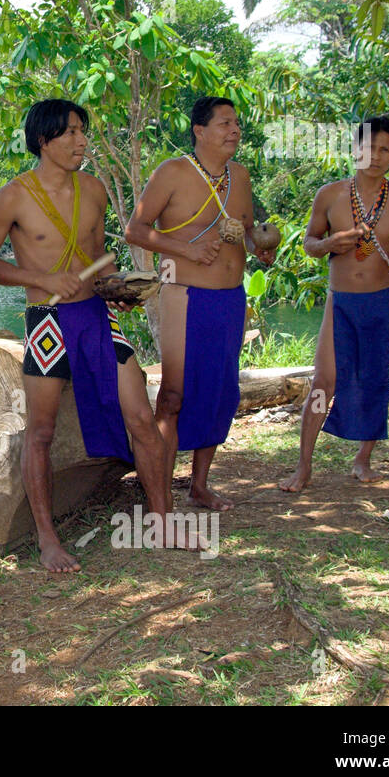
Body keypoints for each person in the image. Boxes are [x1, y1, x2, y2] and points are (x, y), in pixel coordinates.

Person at [0, 99, 182, 573]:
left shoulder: (93, 189)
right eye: (71, 133)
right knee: (42, 432)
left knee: (141, 416)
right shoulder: (12, 196)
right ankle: (48, 541)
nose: (81, 141)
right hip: (46, 320)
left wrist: (118, 288)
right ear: (44, 140)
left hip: (96, 316)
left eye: (83, 131)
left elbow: (100, 259)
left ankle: (163, 521)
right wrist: (44, 279)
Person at [125, 96, 276, 512]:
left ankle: (200, 486)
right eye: (225, 123)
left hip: (230, 299)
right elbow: (135, 231)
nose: (234, 131)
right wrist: (186, 250)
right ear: (200, 131)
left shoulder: (240, 177)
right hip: (183, 296)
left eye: (237, 124)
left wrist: (258, 247)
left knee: (221, 392)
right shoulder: (172, 172)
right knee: (174, 396)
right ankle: (160, 495)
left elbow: (245, 230)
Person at [281, 117, 389, 492]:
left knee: (375, 376)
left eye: (385, 149)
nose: (375, 156)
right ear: (355, 148)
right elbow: (310, 243)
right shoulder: (330, 195)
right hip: (341, 299)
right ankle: (303, 467)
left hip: (387, 297)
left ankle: (363, 458)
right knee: (322, 382)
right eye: (368, 147)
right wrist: (331, 244)